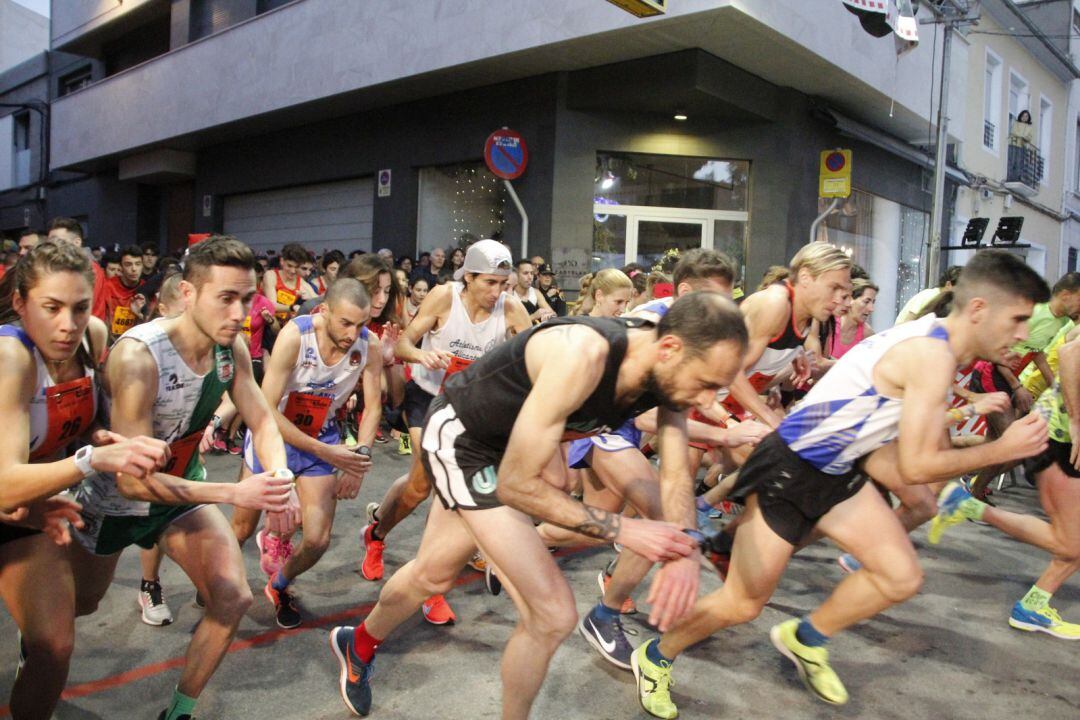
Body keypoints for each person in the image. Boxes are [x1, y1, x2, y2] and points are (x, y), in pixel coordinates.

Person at [630, 250, 1052, 718]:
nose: (1022, 333)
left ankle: (804, 638)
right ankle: (655, 655)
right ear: (978, 310)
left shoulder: (938, 348)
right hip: (790, 467)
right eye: (1017, 318)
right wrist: (1004, 449)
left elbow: (906, 452)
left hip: (837, 470)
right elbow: (916, 466)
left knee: (900, 575)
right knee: (743, 604)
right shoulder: (931, 353)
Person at [330, 291, 748, 718]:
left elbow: (676, 473)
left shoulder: (670, 370)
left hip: (508, 447)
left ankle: (357, 643)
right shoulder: (584, 355)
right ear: (670, 347)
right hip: (465, 441)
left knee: (433, 573)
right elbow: (515, 484)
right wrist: (626, 529)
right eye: (707, 384)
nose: (708, 402)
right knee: (552, 614)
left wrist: (684, 545)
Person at [70, 236, 302, 720]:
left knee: (233, 597)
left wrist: (280, 479)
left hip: (181, 490)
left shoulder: (231, 345)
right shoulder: (140, 356)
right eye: (227, 298)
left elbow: (261, 420)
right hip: (114, 501)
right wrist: (234, 491)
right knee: (81, 606)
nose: (241, 312)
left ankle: (178, 713)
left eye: (247, 298)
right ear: (189, 294)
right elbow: (133, 483)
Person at [0, 242, 168, 720]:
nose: (67, 324)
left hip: (28, 503)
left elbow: (69, 424)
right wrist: (94, 458)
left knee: (61, 634)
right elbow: (4, 484)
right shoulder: (11, 356)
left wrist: (105, 436)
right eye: (51, 308)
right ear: (20, 302)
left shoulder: (93, 339)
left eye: (78, 307)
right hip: (12, 493)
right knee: (52, 640)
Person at [359, 239, 532, 625]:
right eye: (489, 282)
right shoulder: (443, 297)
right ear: (468, 276)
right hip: (427, 398)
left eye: (504, 283)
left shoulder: (511, 306)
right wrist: (422, 354)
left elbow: (537, 352)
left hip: (470, 407)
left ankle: (430, 584)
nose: (498, 291)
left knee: (442, 489)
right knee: (424, 486)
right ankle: (377, 535)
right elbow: (402, 344)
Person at [229, 278, 384, 628]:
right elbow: (265, 410)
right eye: (345, 322)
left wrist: (358, 460)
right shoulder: (295, 337)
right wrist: (330, 456)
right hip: (275, 435)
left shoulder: (367, 345)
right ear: (324, 310)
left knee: (316, 539)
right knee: (240, 528)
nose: (352, 332)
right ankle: (215, 578)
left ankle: (279, 584)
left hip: (322, 436)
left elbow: (373, 407)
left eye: (360, 324)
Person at [930, 327, 1080, 639]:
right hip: (1058, 436)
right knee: (1071, 542)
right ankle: (967, 504)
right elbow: (1070, 352)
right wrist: (1077, 422)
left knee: (1073, 540)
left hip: (1054, 432)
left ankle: (1034, 606)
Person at [722, 242, 852, 429]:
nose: (839, 299)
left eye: (844, 291)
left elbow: (769, 345)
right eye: (833, 288)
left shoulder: (807, 311)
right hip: (704, 402)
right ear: (805, 277)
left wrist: (795, 354)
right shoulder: (775, 303)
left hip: (731, 405)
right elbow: (731, 373)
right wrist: (773, 421)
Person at [47, 217, 107, 320]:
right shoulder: (64, 266)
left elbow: (81, 306)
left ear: (77, 242)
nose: (53, 246)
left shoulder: (90, 269)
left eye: (58, 241)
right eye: (50, 242)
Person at [97, 245, 147, 341]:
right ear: (121, 267)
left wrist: (140, 315)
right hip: (109, 341)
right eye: (128, 264)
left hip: (136, 342)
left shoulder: (146, 290)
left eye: (138, 264)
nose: (134, 269)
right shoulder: (107, 287)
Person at [264, 243, 315, 322]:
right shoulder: (271, 275)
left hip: (284, 324)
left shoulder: (301, 283)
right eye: (289, 266)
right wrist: (292, 307)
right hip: (266, 322)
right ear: (282, 261)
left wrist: (310, 299)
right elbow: (271, 305)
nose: (293, 271)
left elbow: (319, 300)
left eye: (296, 267)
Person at [828, 279, 877, 359]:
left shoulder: (868, 334)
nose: (871, 309)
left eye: (873, 302)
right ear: (850, 299)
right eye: (866, 301)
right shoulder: (829, 323)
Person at [895, 266, 962, 324]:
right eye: (962, 288)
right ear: (948, 285)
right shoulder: (929, 295)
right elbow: (909, 320)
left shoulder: (943, 301)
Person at [512, 259, 557, 323]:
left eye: (532, 273)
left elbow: (553, 314)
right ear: (516, 275)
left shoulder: (535, 293)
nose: (530, 277)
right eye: (525, 273)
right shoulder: (510, 294)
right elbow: (510, 324)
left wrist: (548, 316)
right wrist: (533, 317)